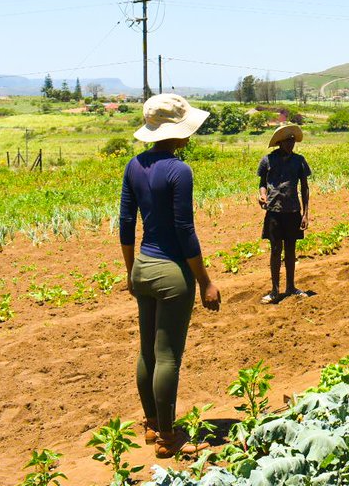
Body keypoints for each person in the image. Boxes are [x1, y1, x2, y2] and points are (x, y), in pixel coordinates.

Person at [119, 94, 222, 458]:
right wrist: (205, 280)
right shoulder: (180, 170)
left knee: (147, 351)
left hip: (144, 266)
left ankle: (150, 424)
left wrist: (130, 270)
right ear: (177, 132)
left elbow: (126, 223)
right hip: (171, 273)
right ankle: (167, 436)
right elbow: (184, 230)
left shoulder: (134, 165)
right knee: (168, 358)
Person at [257, 123, 311, 304]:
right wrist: (262, 195)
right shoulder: (267, 160)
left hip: (293, 211)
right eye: (288, 141)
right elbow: (262, 183)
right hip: (274, 211)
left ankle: (290, 287)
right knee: (275, 250)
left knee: (290, 249)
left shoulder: (299, 161)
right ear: (280, 142)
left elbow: (304, 188)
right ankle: (274, 290)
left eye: (293, 141)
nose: (291, 144)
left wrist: (305, 213)